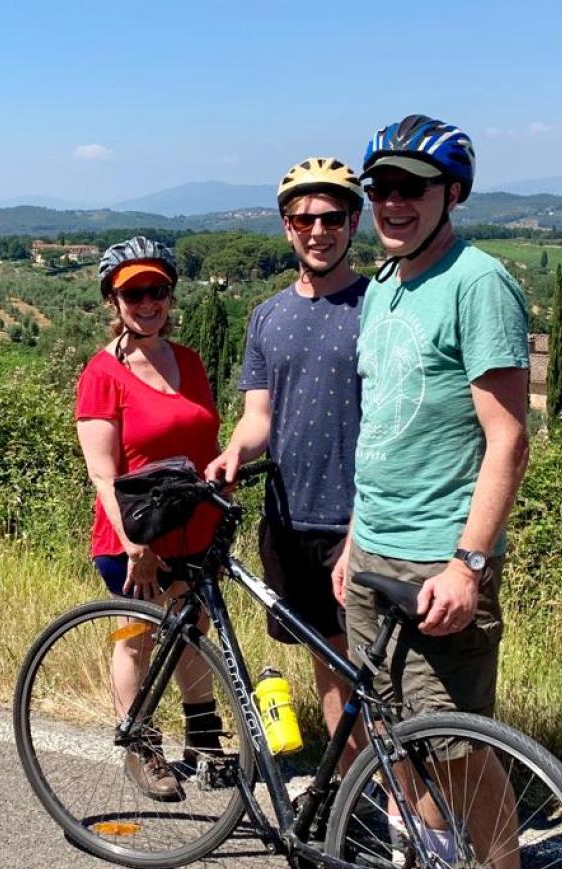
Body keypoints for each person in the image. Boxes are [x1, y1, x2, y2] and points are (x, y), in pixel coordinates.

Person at [332, 115, 530, 869]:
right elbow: (382, 429)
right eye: (378, 187)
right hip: (375, 548)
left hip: (438, 559)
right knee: (392, 736)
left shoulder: (477, 283)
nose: (390, 202)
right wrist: (354, 537)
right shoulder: (383, 287)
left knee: (459, 750)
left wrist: (469, 562)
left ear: (451, 194)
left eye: (409, 187)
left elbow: (508, 440)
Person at [205, 157, 367, 772]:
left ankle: (413, 822)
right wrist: (232, 454)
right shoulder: (268, 315)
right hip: (290, 519)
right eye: (303, 218)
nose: (317, 229)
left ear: (354, 222)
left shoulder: (377, 307)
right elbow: (259, 417)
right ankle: (358, 807)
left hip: (361, 522)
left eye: (330, 217)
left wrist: (365, 524)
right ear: (286, 227)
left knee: (381, 682)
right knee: (327, 664)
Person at [76, 235, 223, 800]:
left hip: (193, 528)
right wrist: (136, 544)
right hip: (133, 537)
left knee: (194, 631)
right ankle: (142, 747)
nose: (146, 302)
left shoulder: (188, 360)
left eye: (156, 290)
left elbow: (205, 441)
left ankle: (205, 741)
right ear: (113, 302)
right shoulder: (102, 374)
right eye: (132, 292)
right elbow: (103, 473)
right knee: (137, 637)